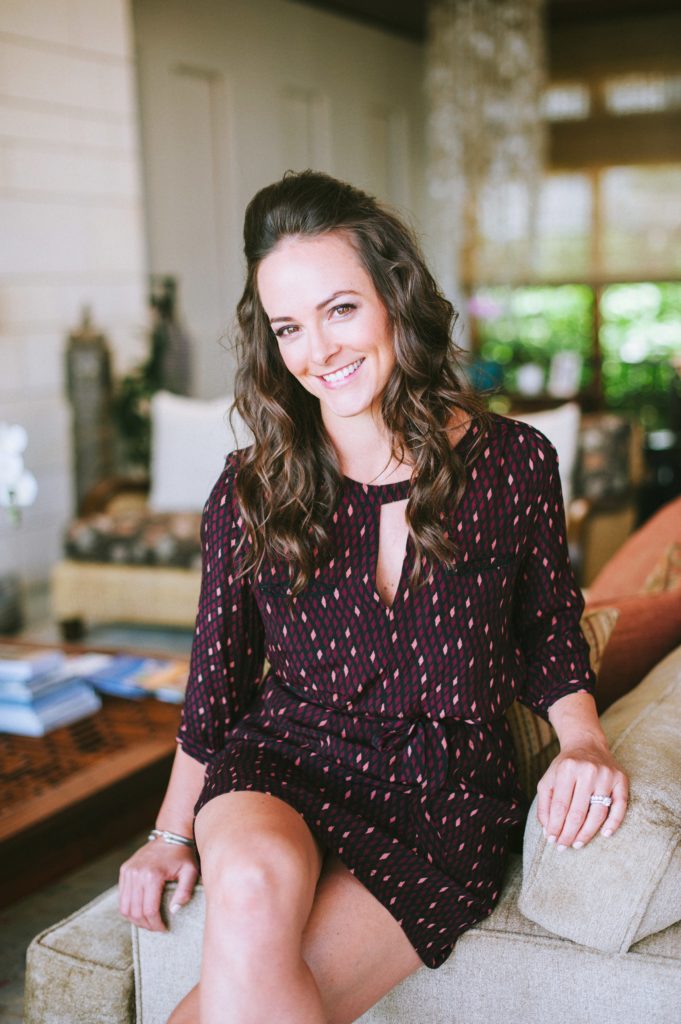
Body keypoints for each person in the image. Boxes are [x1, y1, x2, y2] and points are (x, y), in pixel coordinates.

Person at [119, 170, 629, 1024]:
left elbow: (546, 631)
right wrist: (169, 836)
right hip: (284, 763)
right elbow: (216, 686)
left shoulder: (513, 463)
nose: (318, 351)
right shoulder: (249, 490)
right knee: (250, 881)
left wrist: (584, 742)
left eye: (340, 309)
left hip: (444, 795)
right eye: (289, 327)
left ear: (395, 297)